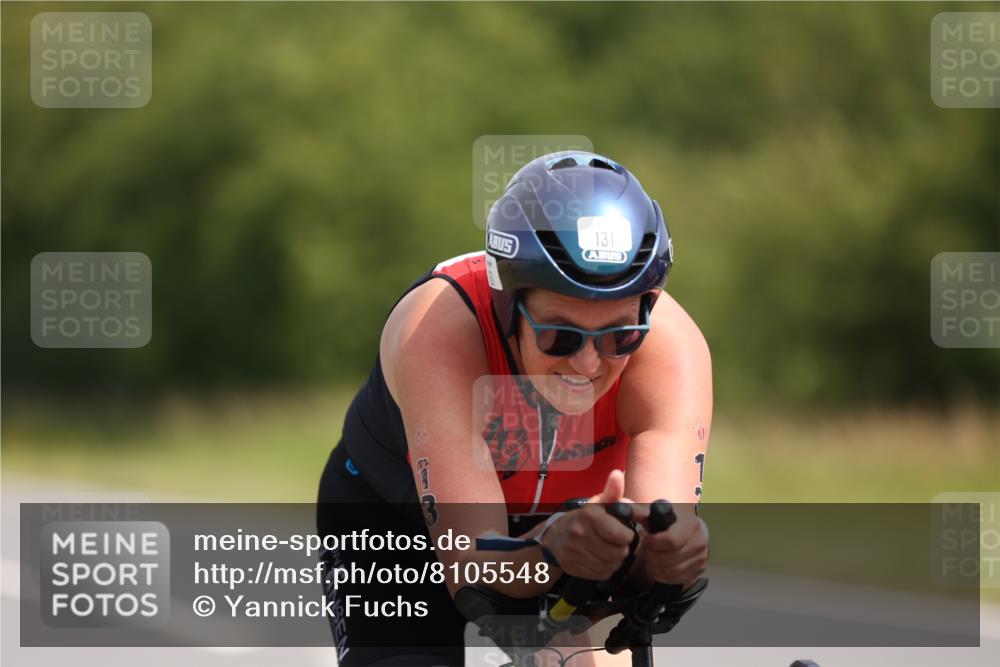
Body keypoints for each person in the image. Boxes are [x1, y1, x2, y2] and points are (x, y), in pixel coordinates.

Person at [317, 151, 712, 666]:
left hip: (575, 526)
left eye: (619, 335)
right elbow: (475, 571)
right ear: (508, 306)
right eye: (559, 335)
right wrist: (550, 548)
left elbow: (652, 566)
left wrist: (669, 561)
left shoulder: (669, 350)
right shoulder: (437, 330)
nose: (589, 362)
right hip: (397, 519)